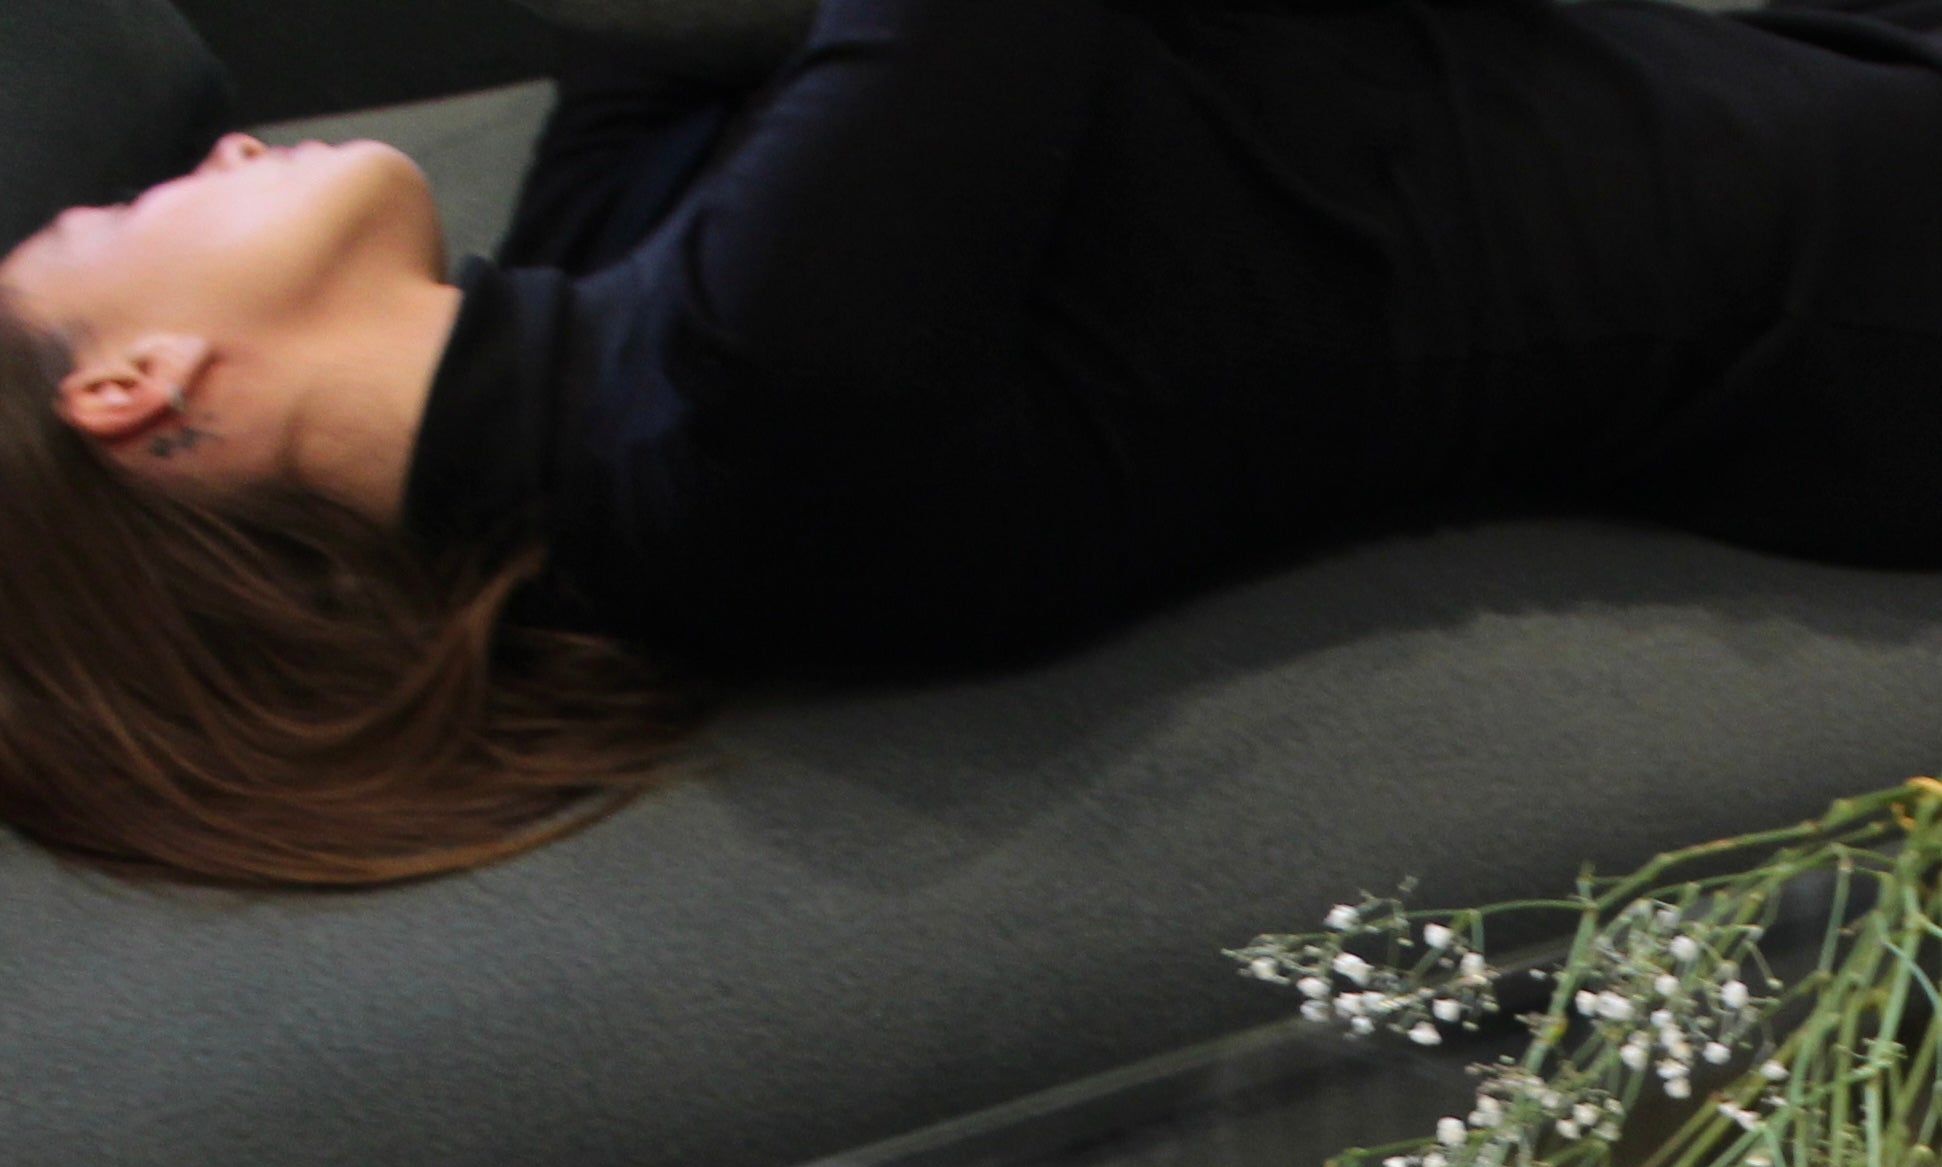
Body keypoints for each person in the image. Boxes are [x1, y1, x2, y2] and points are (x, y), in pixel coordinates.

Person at [5, 0, 1942, 889]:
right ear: (137, 390)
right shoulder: (752, 418)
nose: (221, 144)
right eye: (117, 214)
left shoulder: (598, 305)